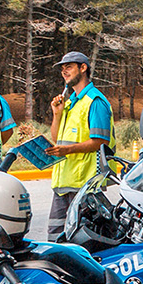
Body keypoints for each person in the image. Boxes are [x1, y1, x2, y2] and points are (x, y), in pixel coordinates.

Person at [45, 51, 113, 241]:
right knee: (56, 240)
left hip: (85, 185)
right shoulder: (70, 103)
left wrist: (67, 150)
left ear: (83, 68)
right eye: (62, 69)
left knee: (82, 241)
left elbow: (100, 141)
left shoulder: (95, 101)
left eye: (69, 67)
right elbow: (57, 137)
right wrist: (57, 114)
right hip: (63, 185)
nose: (64, 71)